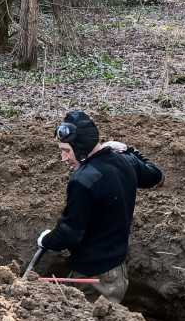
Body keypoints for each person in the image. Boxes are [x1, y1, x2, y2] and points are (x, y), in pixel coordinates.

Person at [34, 110, 164, 303]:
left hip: (95, 280)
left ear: (82, 148)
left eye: (67, 150)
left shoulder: (83, 180)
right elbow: (155, 175)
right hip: (117, 271)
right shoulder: (125, 160)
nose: (63, 158)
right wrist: (128, 149)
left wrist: (46, 240)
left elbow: (69, 233)